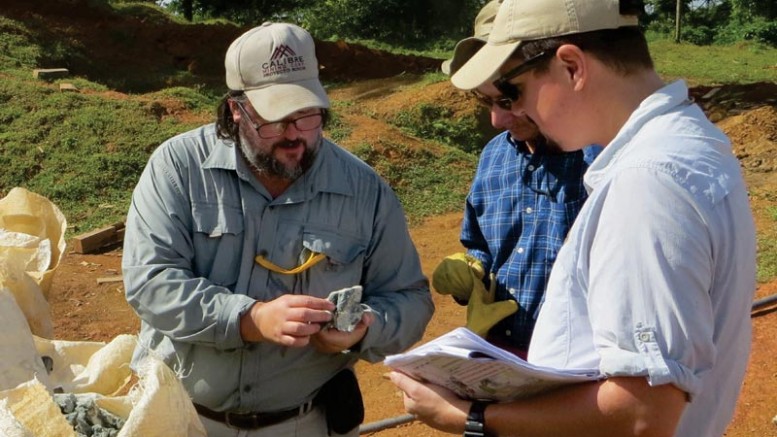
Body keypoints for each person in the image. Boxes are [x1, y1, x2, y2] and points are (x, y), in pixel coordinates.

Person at [390, 0, 756, 436]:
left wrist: (470, 419)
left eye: (512, 92)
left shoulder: (644, 185)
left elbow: (642, 413)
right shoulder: (689, 147)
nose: (512, 115)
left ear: (571, 67)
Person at [122, 22, 434, 437]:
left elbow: (410, 299)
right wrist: (249, 318)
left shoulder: (364, 190)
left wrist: (364, 328)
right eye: (274, 119)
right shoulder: (179, 167)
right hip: (182, 419)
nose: (294, 135)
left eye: (307, 115)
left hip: (304, 422)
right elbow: (150, 280)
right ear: (237, 110)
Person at [433, 0, 600, 359]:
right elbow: (483, 246)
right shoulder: (495, 156)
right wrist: (471, 269)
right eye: (486, 101)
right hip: (499, 359)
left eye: (509, 98)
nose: (496, 119)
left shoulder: (600, 159)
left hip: (578, 366)